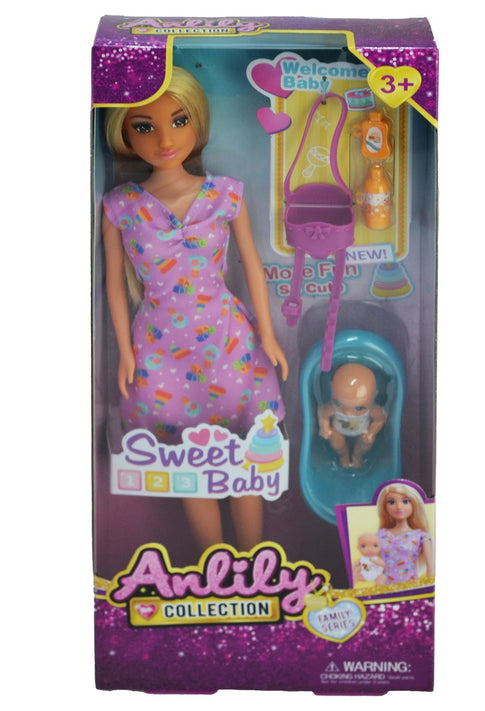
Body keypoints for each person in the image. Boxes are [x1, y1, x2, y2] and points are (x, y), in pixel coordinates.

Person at [102, 66, 288, 551]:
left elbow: (252, 266)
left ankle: (253, 566)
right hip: (160, 349)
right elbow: (114, 286)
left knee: (244, 460)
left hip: (228, 340)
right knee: (188, 465)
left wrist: (268, 336)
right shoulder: (121, 206)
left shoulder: (225, 194)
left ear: (197, 122)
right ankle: (215, 569)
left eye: (179, 121)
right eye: (145, 127)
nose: (165, 139)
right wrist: (125, 354)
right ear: (124, 133)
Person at [353, 482, 434, 584]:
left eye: (405, 501)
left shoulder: (421, 536)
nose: (399, 507)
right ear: (385, 507)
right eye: (391, 502)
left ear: (414, 504)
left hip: (410, 586)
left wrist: (428, 589)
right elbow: (369, 559)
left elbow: (431, 568)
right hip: (384, 586)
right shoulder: (380, 534)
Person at [318, 363, 386, 467]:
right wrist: (325, 428)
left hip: (362, 432)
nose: (347, 413)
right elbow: (323, 414)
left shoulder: (372, 409)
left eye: (359, 408)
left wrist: (371, 432)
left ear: (374, 395)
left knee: (366, 443)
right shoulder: (331, 408)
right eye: (338, 404)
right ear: (332, 390)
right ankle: (343, 454)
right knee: (336, 440)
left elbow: (380, 419)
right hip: (338, 430)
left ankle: (357, 455)